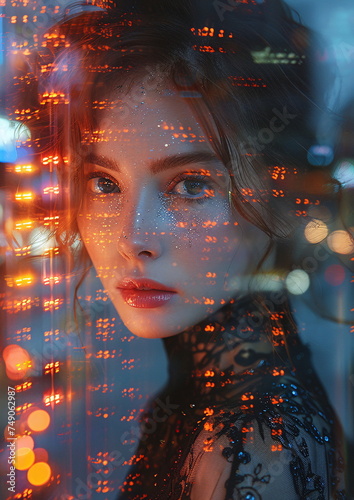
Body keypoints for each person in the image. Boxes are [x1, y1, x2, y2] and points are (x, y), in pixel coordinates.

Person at [26, 0, 347, 497]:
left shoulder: (250, 443)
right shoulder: (211, 399)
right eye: (104, 183)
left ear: (280, 191)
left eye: (192, 184)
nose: (134, 238)